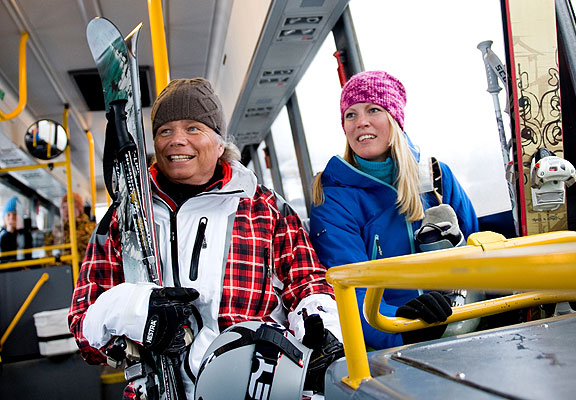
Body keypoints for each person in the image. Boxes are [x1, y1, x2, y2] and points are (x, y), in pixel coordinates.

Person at [68, 78, 343, 399]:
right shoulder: (126, 217)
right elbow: (83, 323)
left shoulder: (264, 208)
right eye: (165, 131)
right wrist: (131, 311)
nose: (177, 140)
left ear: (219, 141)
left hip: (257, 388)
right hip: (158, 391)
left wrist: (320, 324)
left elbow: (306, 280)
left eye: (193, 128)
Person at [309, 70, 479, 349]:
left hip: (467, 319)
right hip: (395, 342)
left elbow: (476, 245)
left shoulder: (435, 177)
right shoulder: (333, 199)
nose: (360, 122)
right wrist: (402, 326)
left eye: (373, 110)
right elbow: (351, 291)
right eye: (350, 115)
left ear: (394, 117)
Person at [44, 193, 96, 262]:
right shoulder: (56, 232)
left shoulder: (91, 228)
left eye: (71, 207)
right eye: (63, 207)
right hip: (61, 270)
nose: (66, 211)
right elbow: (48, 254)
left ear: (79, 210)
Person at [0, 196, 20, 261]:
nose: (11, 218)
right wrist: (9, 231)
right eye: (8, 215)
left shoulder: (23, 235)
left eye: (14, 214)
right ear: (4, 218)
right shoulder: (2, 235)